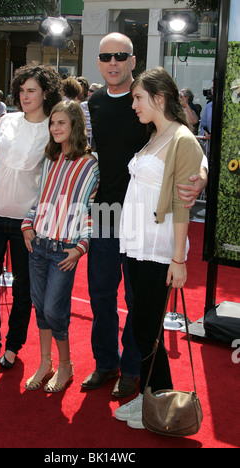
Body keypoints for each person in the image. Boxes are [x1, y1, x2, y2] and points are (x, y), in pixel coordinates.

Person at [81, 33, 208, 398]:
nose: (112, 62)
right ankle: (105, 363)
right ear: (100, 62)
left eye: (120, 55)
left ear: (133, 60)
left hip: (145, 217)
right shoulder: (96, 103)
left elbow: (186, 146)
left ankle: (133, 372)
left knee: (139, 301)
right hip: (107, 210)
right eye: (105, 56)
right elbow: (91, 152)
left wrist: (200, 177)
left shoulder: (149, 101)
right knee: (101, 293)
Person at [115, 67, 203, 429]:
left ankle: (159, 398)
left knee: (146, 328)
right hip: (135, 247)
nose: (134, 104)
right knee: (142, 326)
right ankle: (150, 395)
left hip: (157, 249)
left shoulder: (182, 139)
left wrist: (178, 259)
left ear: (159, 99)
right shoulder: (153, 136)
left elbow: (184, 201)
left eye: (138, 97)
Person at [0, 63, 62, 369]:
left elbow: (56, 178)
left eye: (31, 90)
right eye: (21, 90)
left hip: (26, 224)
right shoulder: (6, 120)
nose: (24, 95)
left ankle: (13, 347)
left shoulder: (53, 129)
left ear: (46, 92)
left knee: (23, 287)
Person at [22, 100, 100, 393]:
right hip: (37, 245)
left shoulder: (90, 165)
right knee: (40, 307)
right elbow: (39, 199)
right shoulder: (49, 159)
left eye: (61, 123)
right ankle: (46, 363)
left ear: (75, 126)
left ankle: (65, 366)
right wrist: (27, 226)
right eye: (53, 123)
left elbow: (92, 210)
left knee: (55, 310)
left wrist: (81, 247)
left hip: (64, 249)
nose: (55, 128)